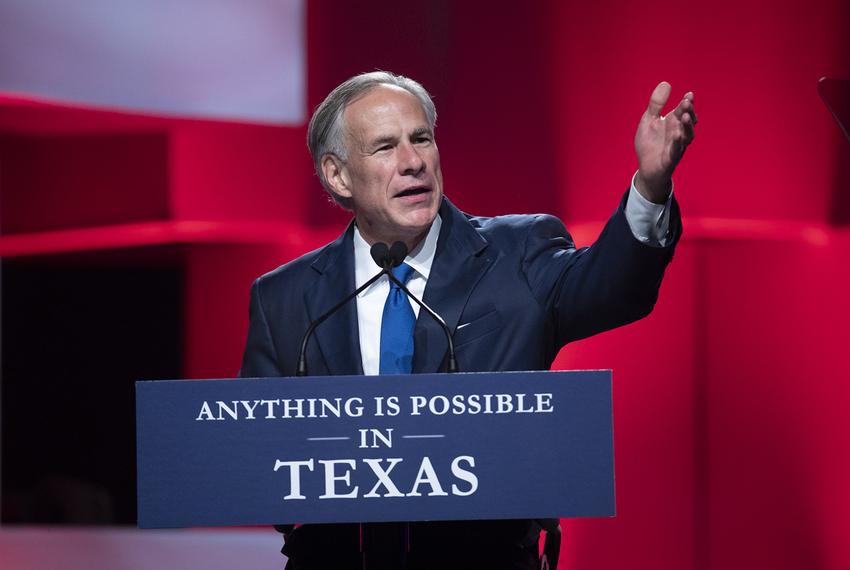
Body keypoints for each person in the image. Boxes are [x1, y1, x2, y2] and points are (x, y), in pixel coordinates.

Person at [240, 71, 696, 569]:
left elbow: (615, 290)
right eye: (385, 147)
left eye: (421, 139)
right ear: (338, 175)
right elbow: (258, 462)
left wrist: (651, 187)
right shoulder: (283, 297)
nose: (413, 162)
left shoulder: (518, 253)